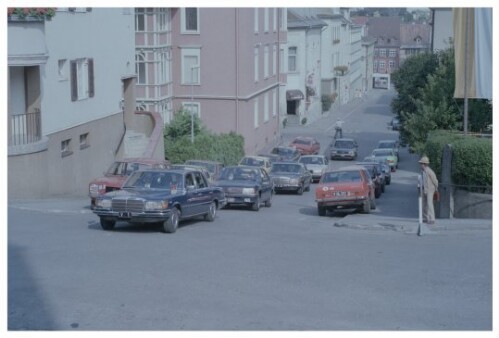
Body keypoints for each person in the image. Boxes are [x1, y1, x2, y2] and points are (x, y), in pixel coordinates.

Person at [418, 156, 439, 224]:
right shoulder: (423, 171)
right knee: (424, 204)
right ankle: (425, 218)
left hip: (430, 189)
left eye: (421, 163)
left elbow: (435, 180)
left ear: (424, 164)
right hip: (424, 189)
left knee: (429, 204)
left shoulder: (429, 171)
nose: (420, 165)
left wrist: (436, 188)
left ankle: (432, 219)